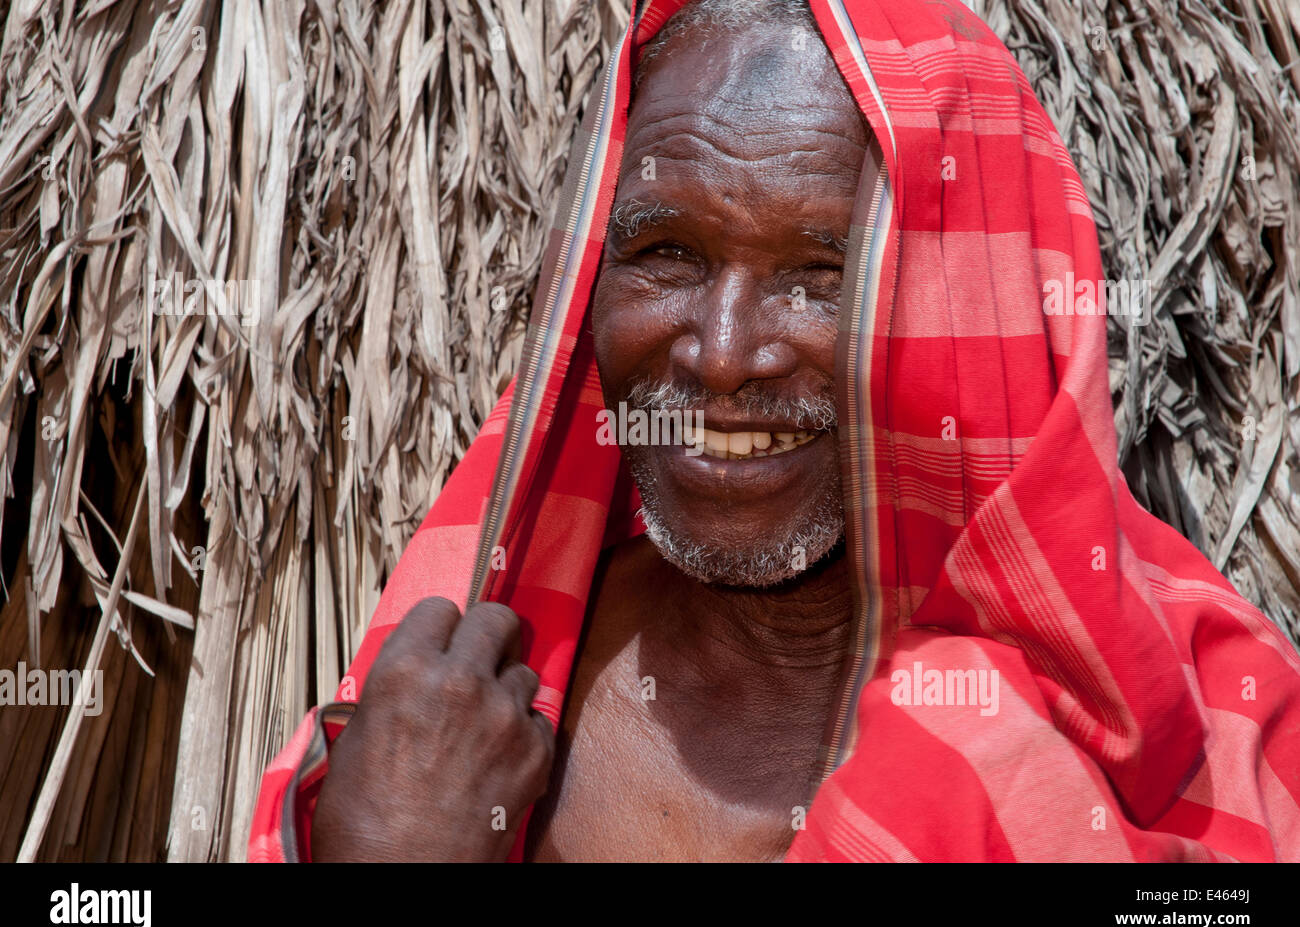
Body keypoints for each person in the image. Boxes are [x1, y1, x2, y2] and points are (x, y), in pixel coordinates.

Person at [249, 0, 1300, 862]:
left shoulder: (1191, 747)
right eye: (666, 252)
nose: (718, 350)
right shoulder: (444, 721)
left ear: (956, 313)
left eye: (820, 276)